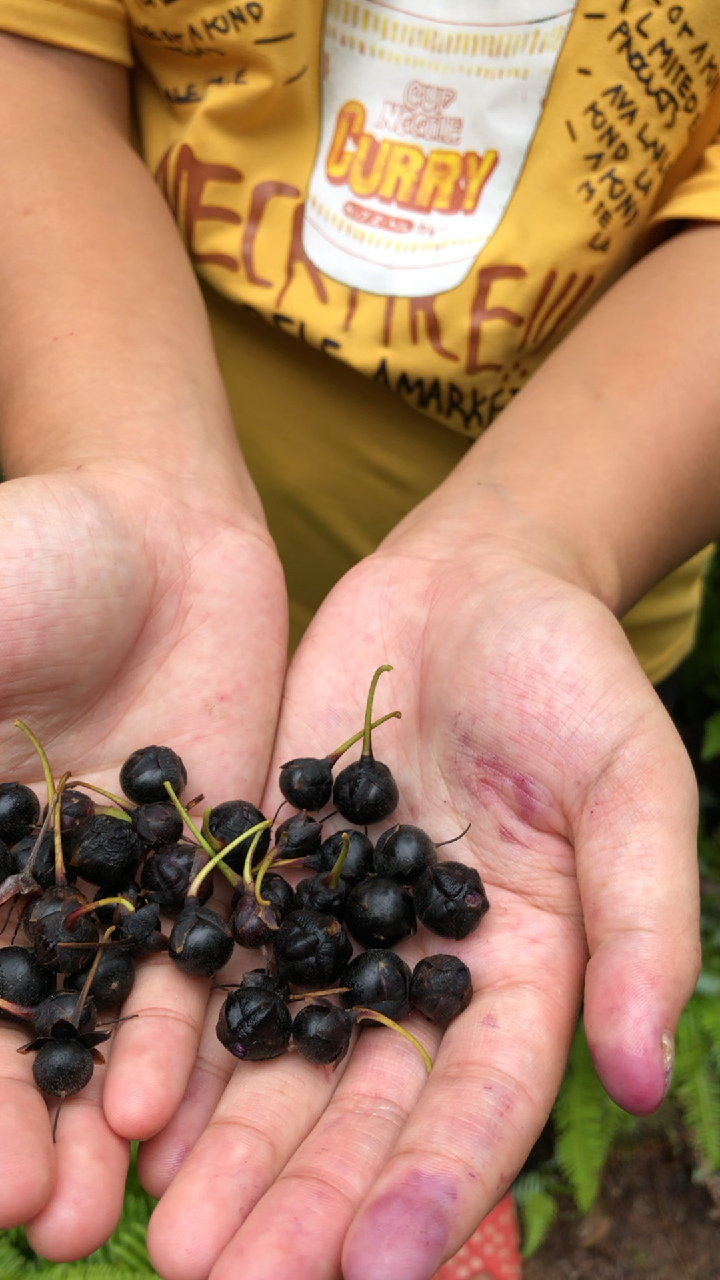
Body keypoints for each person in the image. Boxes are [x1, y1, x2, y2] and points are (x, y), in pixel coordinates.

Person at [0, 3, 718, 1278]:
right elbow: (33, 67)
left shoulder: (373, 865)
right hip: (181, 532)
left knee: (449, 1064)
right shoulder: (219, 859)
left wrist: (541, 540)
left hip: (529, 644)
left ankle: (479, 1192)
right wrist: (126, 466)